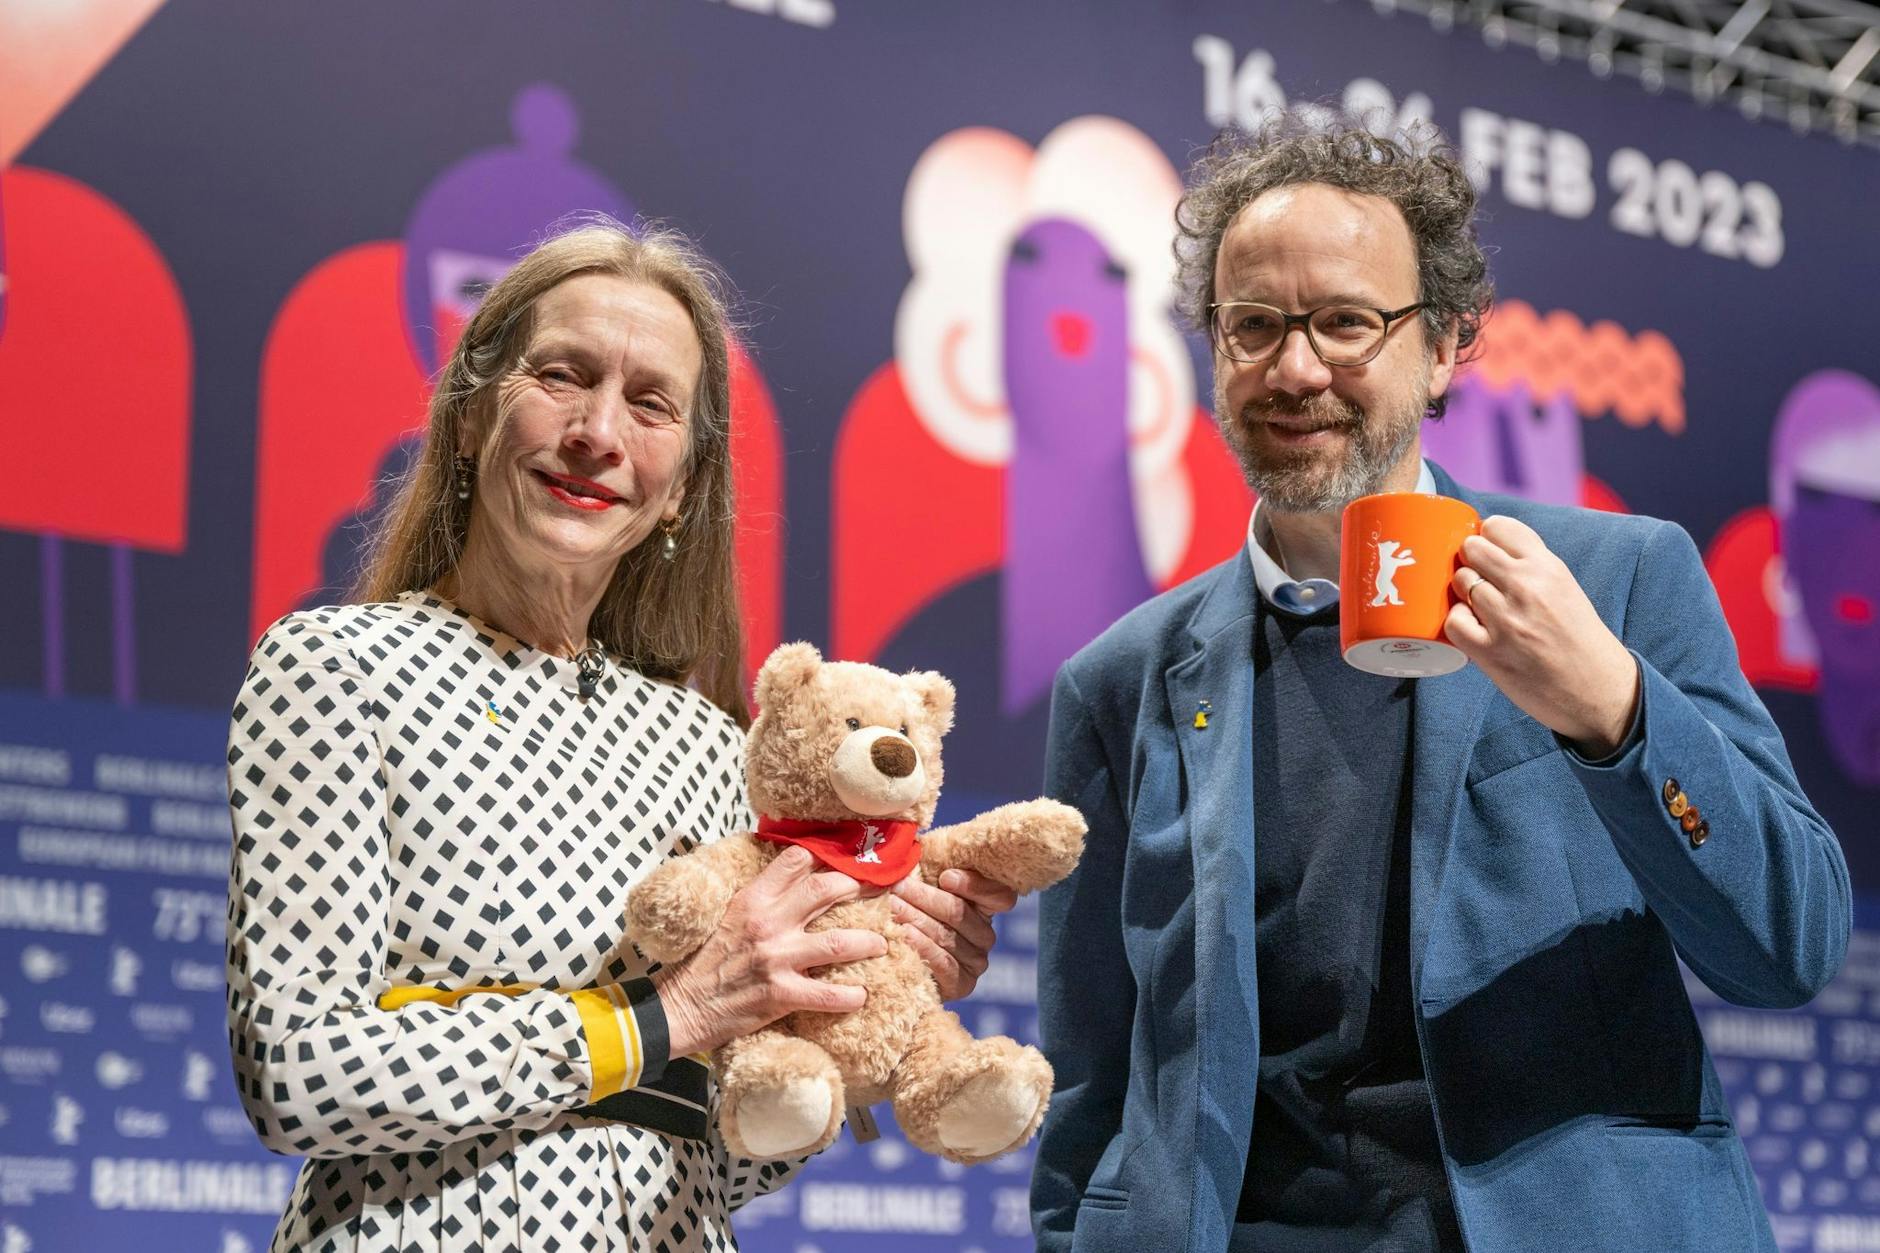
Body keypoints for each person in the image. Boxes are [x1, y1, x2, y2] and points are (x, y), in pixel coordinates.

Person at [1030, 116, 1851, 1253]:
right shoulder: (1118, 682)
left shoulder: (1615, 579)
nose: (1294, 367)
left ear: (1446, 344)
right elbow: (1089, 1073)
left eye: (1346, 324)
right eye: (1252, 326)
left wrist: (1610, 709)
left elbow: (1785, 942)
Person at [225, 220, 1016, 1251]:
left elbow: (712, 1151)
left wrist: (855, 986)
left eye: (650, 405)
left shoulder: (704, 742)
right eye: (563, 375)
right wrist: (659, 1016)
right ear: (470, 417)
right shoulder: (337, 669)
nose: (598, 432)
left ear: (681, 483)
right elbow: (295, 1068)